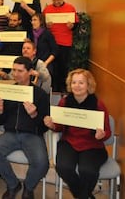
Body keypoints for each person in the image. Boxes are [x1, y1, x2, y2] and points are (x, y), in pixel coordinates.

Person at [0, 56, 50, 199]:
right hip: (10, 134)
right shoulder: (9, 91)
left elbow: (44, 128)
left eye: (20, 71)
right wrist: (0, 110)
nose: (15, 74)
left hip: (32, 135)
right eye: (14, 70)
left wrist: (34, 114)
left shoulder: (41, 95)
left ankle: (29, 187)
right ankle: (13, 184)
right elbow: (0, 121)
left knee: (42, 163)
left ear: (30, 72)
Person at [43, 69, 111, 199]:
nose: (77, 86)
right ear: (70, 84)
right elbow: (59, 127)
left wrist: (101, 135)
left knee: (88, 171)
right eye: (74, 82)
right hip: (69, 142)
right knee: (63, 167)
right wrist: (52, 125)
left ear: (88, 85)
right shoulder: (64, 102)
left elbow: (107, 131)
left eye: (81, 83)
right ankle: (85, 196)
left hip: (93, 145)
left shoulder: (98, 104)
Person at [42, 0, 78, 93]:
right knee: (52, 68)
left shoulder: (70, 8)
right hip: (51, 43)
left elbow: (76, 25)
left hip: (65, 42)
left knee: (63, 67)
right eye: (54, 0)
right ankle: (52, 89)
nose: (56, 2)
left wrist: (72, 26)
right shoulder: (47, 9)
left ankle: (63, 90)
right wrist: (46, 25)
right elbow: (42, 25)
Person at [31, 13, 58, 80]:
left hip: (46, 63)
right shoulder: (31, 34)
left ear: (41, 21)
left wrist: (46, 63)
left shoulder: (47, 34)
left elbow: (55, 51)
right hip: (34, 63)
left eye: (35, 20)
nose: (32, 22)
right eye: (32, 20)